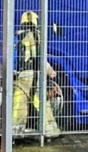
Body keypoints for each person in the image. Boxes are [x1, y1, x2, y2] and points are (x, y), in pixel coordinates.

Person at [13, 11, 60, 139]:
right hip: (35, 74)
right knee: (42, 102)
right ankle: (50, 131)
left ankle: (15, 132)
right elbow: (39, 56)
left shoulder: (18, 36)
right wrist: (49, 69)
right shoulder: (36, 36)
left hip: (21, 74)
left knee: (19, 104)